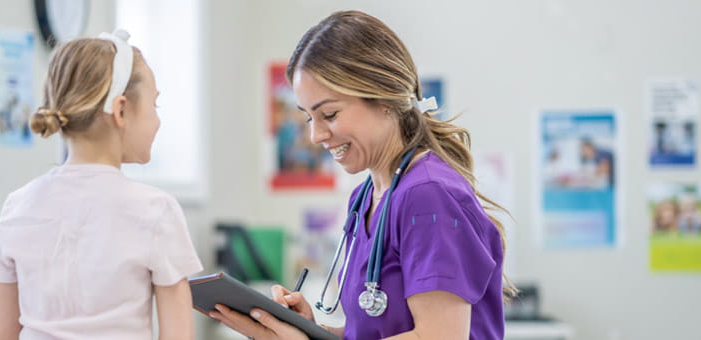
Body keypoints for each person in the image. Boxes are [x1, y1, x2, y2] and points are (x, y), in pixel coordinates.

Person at [210, 11, 515, 340]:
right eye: (309, 118)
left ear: (383, 98)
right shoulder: (366, 197)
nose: (316, 135)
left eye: (329, 114)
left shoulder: (428, 195)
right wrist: (310, 331)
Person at [0, 30, 203, 340]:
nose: (158, 121)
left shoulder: (16, 206)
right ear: (120, 110)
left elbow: (4, 334)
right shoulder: (156, 210)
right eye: (155, 105)